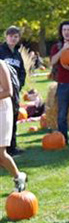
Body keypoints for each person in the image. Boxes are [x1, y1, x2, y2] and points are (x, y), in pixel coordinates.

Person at [0, 59, 26, 192]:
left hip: (2, 110)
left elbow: (8, 91)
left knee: (1, 154)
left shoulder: (0, 64)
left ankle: (18, 177)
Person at [0, 26, 25, 156]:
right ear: (6, 36)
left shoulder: (17, 54)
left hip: (14, 91)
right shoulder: (1, 51)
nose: (13, 39)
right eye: (11, 36)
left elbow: (22, 72)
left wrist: (19, 85)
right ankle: (3, 149)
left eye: (16, 36)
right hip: (2, 90)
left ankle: (12, 147)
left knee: (12, 118)